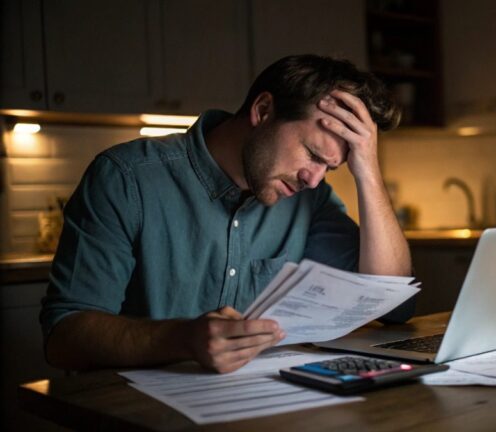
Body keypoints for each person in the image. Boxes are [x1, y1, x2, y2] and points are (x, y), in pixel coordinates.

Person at [40, 54, 413, 373]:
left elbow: (392, 300)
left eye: (330, 168)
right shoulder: (125, 179)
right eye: (314, 155)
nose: (314, 180)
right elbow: (64, 336)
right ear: (263, 110)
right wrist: (182, 338)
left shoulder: (307, 200)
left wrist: (368, 171)